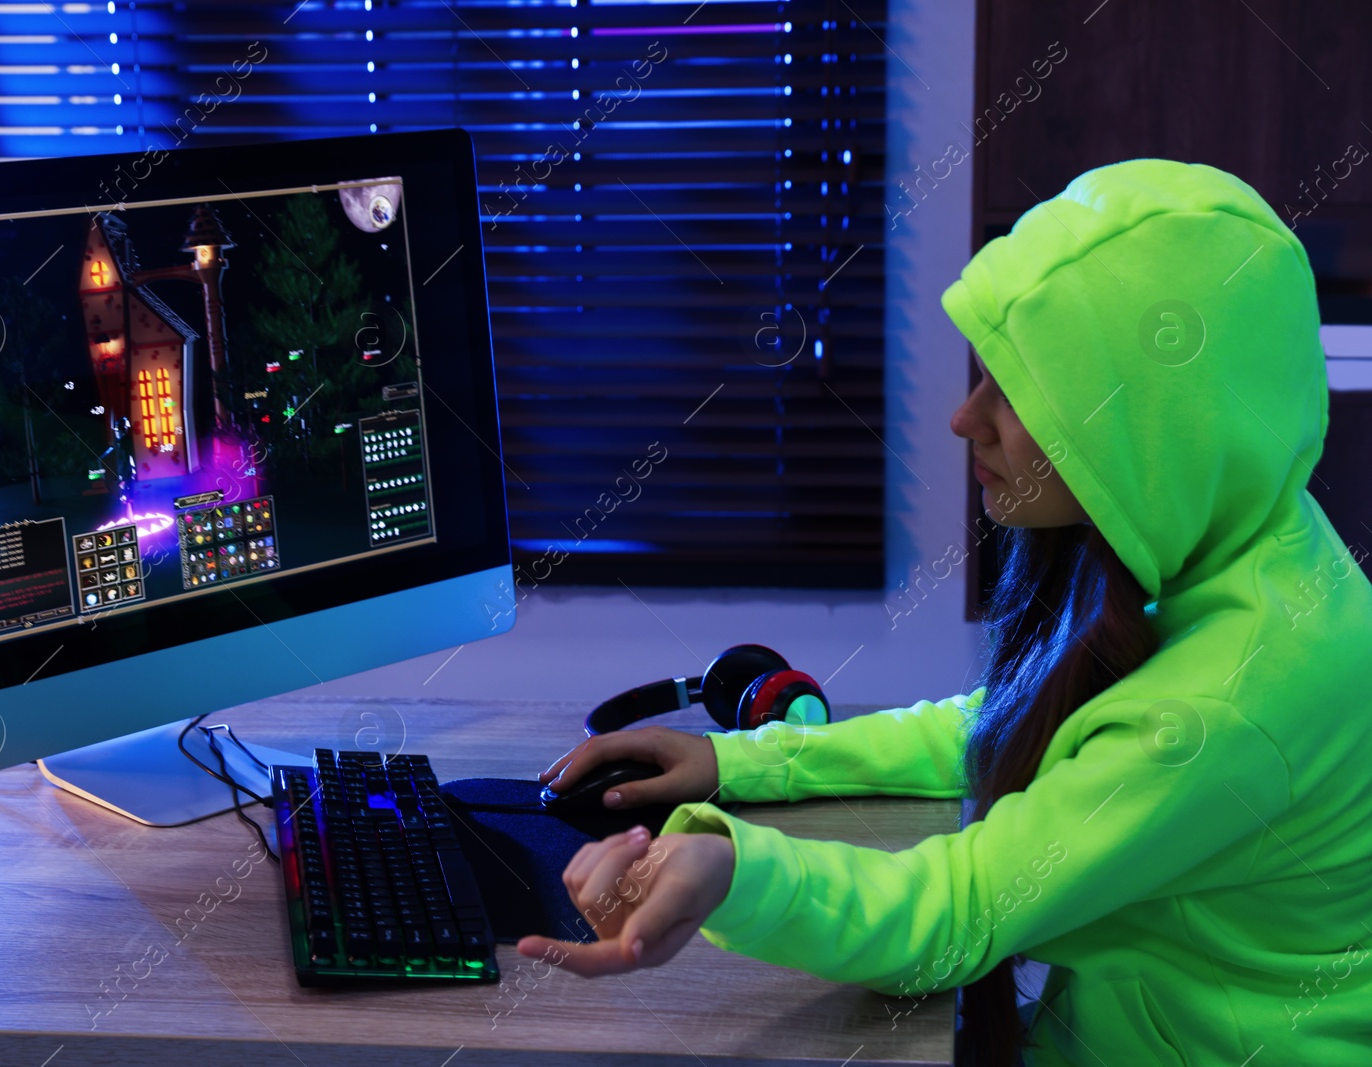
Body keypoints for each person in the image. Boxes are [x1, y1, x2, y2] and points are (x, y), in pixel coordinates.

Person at [517, 158, 1372, 1067]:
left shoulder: (1223, 708)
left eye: (1022, 397)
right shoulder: (1238, 522)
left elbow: (958, 916)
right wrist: (740, 761)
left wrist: (729, 869)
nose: (967, 419)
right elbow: (1025, 725)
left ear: (1154, 428)